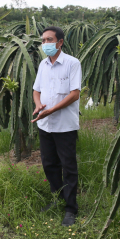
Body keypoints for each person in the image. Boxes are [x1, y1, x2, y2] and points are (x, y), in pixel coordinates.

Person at [31, 26, 81, 227]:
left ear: (60, 42)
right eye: (43, 40)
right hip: (45, 124)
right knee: (49, 164)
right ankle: (57, 198)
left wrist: (51, 110)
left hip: (65, 125)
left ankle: (71, 208)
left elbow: (74, 94)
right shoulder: (43, 64)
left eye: (49, 40)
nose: (45, 44)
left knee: (68, 166)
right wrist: (38, 105)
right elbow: (36, 90)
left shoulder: (72, 63)